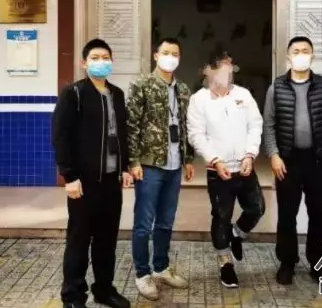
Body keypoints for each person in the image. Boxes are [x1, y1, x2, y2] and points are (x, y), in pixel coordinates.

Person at [52, 38, 132, 308]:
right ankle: (73, 296)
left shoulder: (117, 94)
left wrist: (124, 167)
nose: (101, 62)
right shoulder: (73, 94)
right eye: (95, 58)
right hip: (83, 182)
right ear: (84, 63)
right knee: (79, 240)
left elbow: (122, 134)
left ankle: (104, 289)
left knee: (106, 241)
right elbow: (60, 137)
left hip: (111, 182)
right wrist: (69, 176)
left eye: (105, 58)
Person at [262, 36, 322, 285]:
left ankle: (318, 263)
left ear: (312, 55)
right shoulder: (276, 87)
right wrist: (274, 155)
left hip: (318, 160)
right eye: (296, 51)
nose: (300, 55)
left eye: (305, 51)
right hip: (287, 161)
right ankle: (287, 262)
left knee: (318, 213)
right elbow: (269, 125)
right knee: (287, 214)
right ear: (288, 56)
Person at [187, 52, 265, 288]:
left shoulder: (243, 95)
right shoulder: (199, 100)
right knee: (222, 216)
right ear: (208, 70)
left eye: (231, 67)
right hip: (218, 171)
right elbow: (196, 135)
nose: (229, 71)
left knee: (257, 208)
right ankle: (225, 264)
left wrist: (250, 154)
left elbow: (255, 125)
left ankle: (236, 234)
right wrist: (214, 159)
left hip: (244, 167)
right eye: (224, 67)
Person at [127, 37, 195, 301]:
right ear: (156, 56)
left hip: (174, 165)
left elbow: (186, 127)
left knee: (166, 221)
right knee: (143, 224)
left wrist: (188, 159)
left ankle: (161, 267)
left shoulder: (183, 89)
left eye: (175, 53)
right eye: (166, 52)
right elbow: (131, 125)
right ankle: (142, 274)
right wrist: (133, 161)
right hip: (149, 165)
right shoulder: (142, 85)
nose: (170, 57)